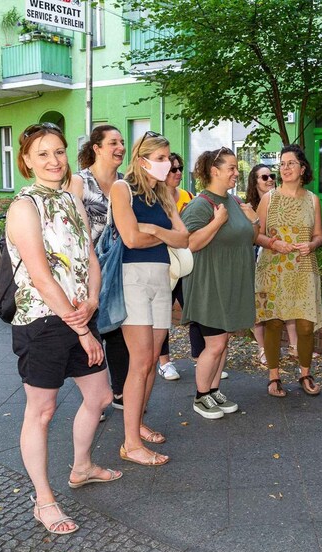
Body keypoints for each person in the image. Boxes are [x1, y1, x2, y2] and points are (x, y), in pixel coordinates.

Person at [7, 123, 121, 535]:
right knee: (42, 412)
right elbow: (39, 275)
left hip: (78, 315)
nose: (54, 161)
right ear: (26, 161)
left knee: (101, 395)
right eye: (43, 154)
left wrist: (92, 299)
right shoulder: (24, 207)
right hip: (43, 322)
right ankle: (44, 499)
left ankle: (82, 467)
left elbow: (89, 255)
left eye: (58, 152)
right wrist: (84, 330)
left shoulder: (71, 200)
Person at [111, 131, 189, 466]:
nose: (167, 164)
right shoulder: (122, 189)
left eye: (168, 158)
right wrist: (160, 236)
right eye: (160, 158)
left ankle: (137, 422)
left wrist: (155, 231)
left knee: (153, 360)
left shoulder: (164, 195)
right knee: (140, 362)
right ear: (142, 160)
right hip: (134, 280)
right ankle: (130, 444)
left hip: (161, 280)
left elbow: (183, 238)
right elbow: (129, 237)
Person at [182, 148, 259, 418]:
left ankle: (213, 392)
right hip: (209, 285)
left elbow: (248, 236)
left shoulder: (235, 202)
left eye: (237, 168)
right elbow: (188, 244)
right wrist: (216, 223)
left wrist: (255, 220)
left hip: (230, 284)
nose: (237, 172)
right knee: (214, 345)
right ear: (214, 171)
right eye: (232, 168)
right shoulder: (201, 204)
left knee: (223, 342)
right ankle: (201, 396)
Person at [254, 145, 322, 397]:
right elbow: (256, 234)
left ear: (303, 168)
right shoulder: (268, 198)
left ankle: (305, 373)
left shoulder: (312, 199)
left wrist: (312, 244)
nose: (285, 168)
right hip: (273, 268)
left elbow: (319, 235)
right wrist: (274, 243)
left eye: (291, 163)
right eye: (282, 164)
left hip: (303, 268)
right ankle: (274, 376)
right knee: (273, 323)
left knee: (305, 325)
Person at [68, 125, 129, 416]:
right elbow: (68, 231)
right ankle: (95, 398)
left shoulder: (125, 183)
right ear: (97, 148)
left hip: (117, 267)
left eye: (122, 142)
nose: (120, 147)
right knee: (92, 330)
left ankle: (120, 391)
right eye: (113, 142)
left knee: (117, 329)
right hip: (88, 269)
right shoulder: (80, 182)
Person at [156, 152, 208, 381]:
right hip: (163, 264)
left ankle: (201, 359)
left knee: (194, 309)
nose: (178, 173)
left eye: (179, 168)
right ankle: (164, 362)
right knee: (162, 313)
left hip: (185, 262)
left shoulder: (188, 196)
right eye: (173, 170)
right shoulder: (154, 199)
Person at [245, 163, 276, 366]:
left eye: (272, 175)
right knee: (257, 303)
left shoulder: (281, 200)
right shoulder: (248, 206)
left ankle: (293, 345)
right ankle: (262, 348)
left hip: (276, 257)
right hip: (255, 258)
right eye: (264, 177)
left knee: (278, 302)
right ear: (255, 181)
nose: (270, 179)